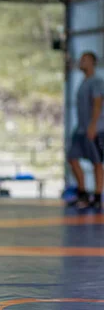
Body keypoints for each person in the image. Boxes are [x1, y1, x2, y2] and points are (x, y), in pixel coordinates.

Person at [67, 52, 104, 210]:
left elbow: (97, 104)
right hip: (81, 129)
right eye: (81, 59)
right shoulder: (83, 82)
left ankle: (97, 197)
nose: (81, 62)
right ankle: (82, 193)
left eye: (84, 60)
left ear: (92, 63)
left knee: (97, 162)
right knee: (72, 157)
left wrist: (93, 125)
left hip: (95, 128)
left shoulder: (96, 82)